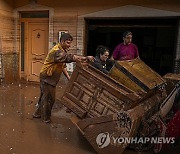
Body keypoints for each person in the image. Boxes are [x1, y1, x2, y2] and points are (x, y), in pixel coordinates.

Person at [33, 33, 94, 123]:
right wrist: (85, 58)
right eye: (68, 43)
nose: (69, 45)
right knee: (50, 99)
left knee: (44, 97)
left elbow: (63, 66)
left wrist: (68, 77)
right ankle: (46, 119)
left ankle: (37, 114)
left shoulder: (62, 50)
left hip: (49, 78)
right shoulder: (57, 51)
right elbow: (68, 58)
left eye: (70, 43)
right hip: (47, 78)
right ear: (62, 41)